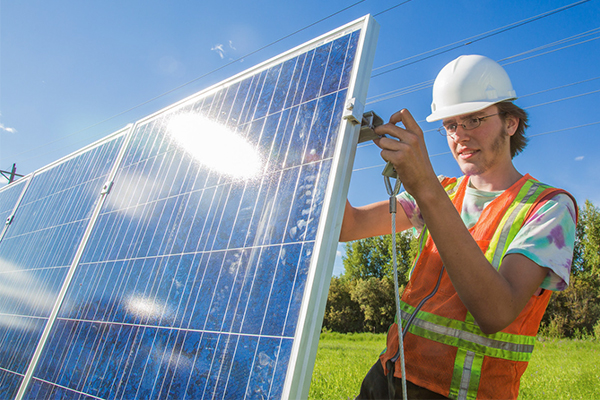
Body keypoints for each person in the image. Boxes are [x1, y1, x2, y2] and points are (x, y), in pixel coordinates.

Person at [340, 55, 577, 400]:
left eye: (474, 120)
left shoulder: (549, 207)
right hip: (388, 377)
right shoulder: (444, 190)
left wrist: (424, 187)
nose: (460, 136)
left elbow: (496, 312)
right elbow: (350, 226)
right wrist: (330, 152)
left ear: (510, 123)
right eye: (451, 125)